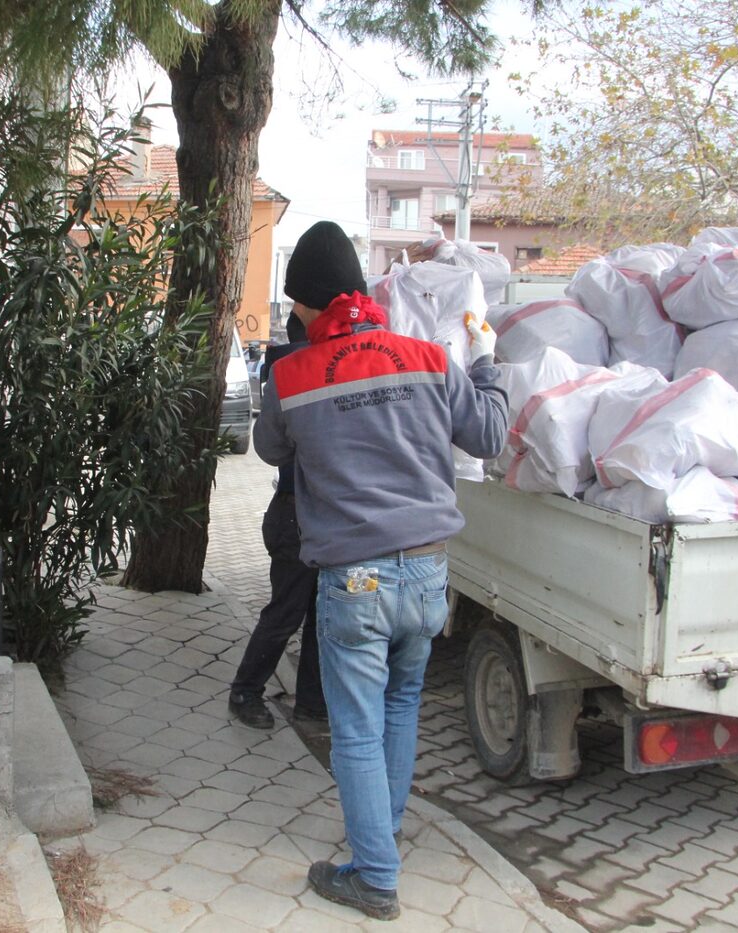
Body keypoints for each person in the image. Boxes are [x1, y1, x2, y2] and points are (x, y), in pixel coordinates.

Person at [253, 221, 507, 921]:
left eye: (295, 308)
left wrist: (299, 366)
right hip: (427, 573)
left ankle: (374, 875)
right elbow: (489, 434)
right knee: (399, 707)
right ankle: (383, 835)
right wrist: (485, 361)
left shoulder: (293, 373)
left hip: (355, 581)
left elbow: (269, 446)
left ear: (306, 305)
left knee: (357, 727)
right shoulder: (427, 357)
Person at [227, 312, 327, 730]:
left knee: (318, 614)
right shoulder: (298, 366)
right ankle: (245, 692)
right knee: (288, 612)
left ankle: (311, 704)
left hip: (308, 512)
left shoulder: (287, 366)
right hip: (297, 513)